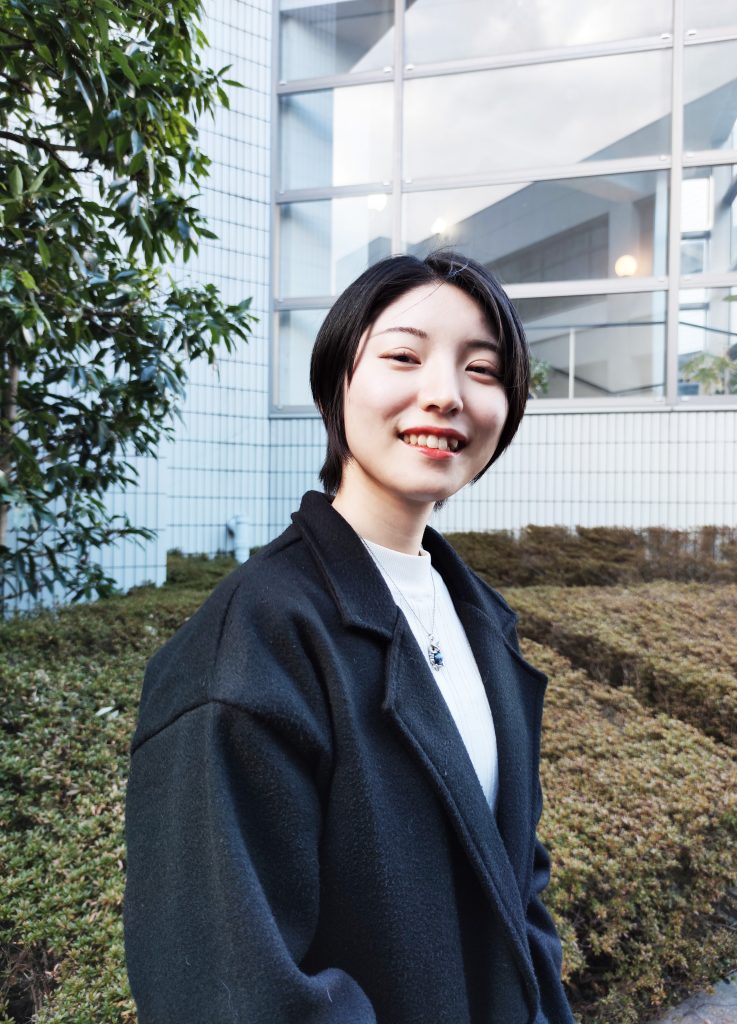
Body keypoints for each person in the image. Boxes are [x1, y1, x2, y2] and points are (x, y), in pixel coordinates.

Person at [123, 251, 575, 1024]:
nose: (446, 394)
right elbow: (236, 986)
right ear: (337, 380)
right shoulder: (253, 644)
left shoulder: (479, 619)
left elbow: (516, 886)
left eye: (483, 369)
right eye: (404, 356)